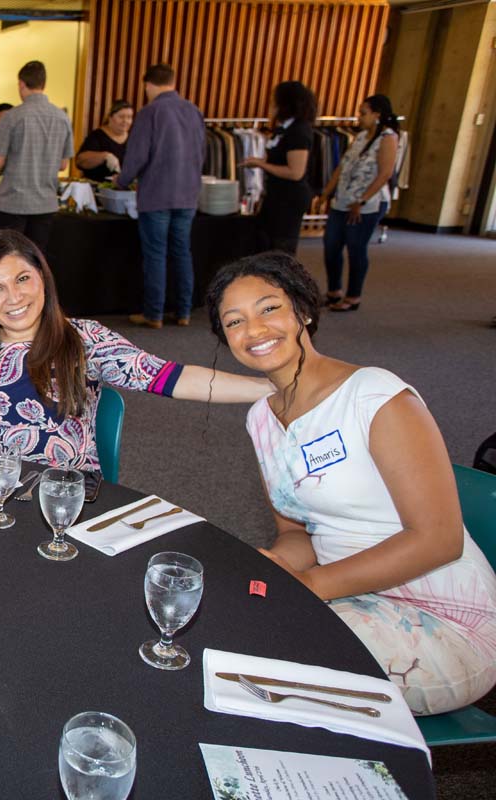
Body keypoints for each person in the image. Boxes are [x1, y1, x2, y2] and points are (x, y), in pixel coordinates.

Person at [207, 251, 496, 714]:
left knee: (253, 665)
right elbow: (296, 532)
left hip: (442, 617)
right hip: (345, 594)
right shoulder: (261, 418)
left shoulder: (374, 395)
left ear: (302, 310)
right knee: (222, 624)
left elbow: (439, 539)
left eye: (269, 308)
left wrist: (309, 585)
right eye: (235, 321)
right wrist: (276, 565)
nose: (255, 330)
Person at [0, 230, 272, 474]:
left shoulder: (84, 339)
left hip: (69, 498)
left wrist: (270, 388)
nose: (14, 297)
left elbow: (173, 378)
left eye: (23, 279)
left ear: (43, 278)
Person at [115, 64, 205, 329]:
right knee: (182, 252)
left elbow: (138, 155)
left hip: (156, 195)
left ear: (148, 85)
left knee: (156, 254)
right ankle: (184, 312)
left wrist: (121, 180)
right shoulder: (193, 110)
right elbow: (202, 153)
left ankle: (154, 314)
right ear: (173, 82)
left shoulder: (150, 112)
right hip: (187, 194)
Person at [318, 94, 399, 312]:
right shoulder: (361, 137)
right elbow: (342, 167)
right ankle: (334, 291)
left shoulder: (388, 138)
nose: (359, 117)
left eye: (363, 113)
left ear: (377, 115)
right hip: (342, 200)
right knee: (331, 245)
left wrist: (361, 201)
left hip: (367, 205)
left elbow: (385, 173)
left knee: (356, 248)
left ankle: (353, 296)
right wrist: (326, 193)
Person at [0, 61, 74, 252]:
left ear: (21, 84)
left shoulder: (12, 117)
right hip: (46, 203)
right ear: (43, 84)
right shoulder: (62, 117)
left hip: (14, 203)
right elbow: (63, 164)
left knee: (9, 257)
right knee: (35, 259)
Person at [243, 82, 317, 254]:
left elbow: (295, 172)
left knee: (281, 248)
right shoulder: (283, 128)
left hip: (290, 199)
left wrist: (261, 164)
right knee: (264, 243)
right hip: (277, 195)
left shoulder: (299, 131)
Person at [75, 100, 133, 182]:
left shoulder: (133, 138)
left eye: (129, 117)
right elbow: (80, 161)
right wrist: (105, 156)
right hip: (97, 189)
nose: (125, 121)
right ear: (110, 117)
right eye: (121, 117)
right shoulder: (97, 136)